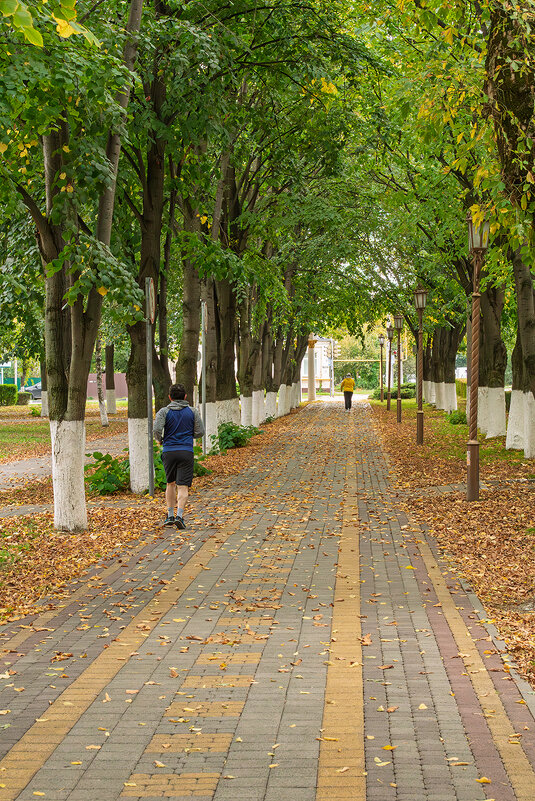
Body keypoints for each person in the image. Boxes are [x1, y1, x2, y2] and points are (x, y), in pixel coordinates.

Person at [154, 383, 205, 529]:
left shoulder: (163, 412)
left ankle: (169, 515)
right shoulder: (192, 411)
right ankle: (180, 517)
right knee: (183, 486)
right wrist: (189, 435)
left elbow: (157, 429)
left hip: (169, 451)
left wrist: (161, 440)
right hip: (186, 451)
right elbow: (200, 431)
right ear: (185, 396)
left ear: (170, 397)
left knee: (170, 483)